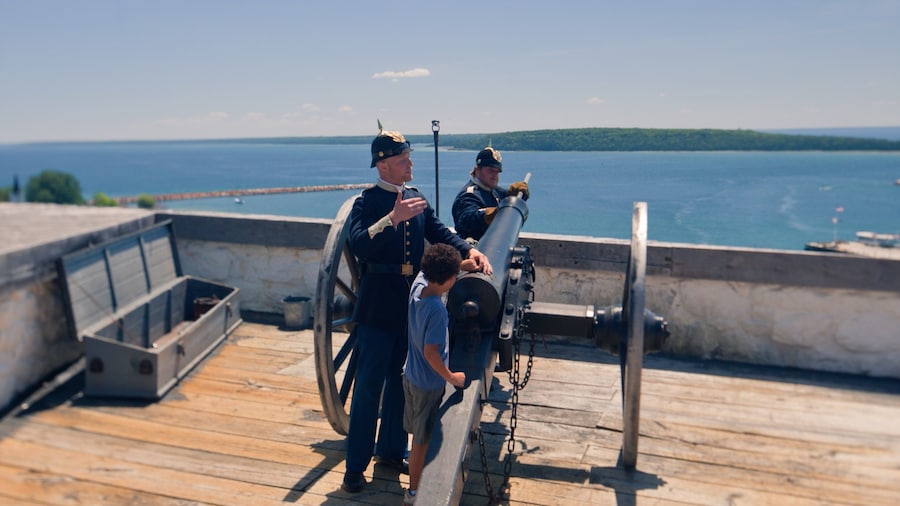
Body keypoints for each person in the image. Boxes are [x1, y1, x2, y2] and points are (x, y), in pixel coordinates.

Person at [341, 123, 492, 493]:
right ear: (383, 166)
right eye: (402, 159)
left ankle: (390, 451)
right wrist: (392, 219)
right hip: (377, 307)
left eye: (408, 158)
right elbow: (359, 242)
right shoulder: (368, 202)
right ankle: (354, 468)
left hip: (409, 305)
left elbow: (440, 231)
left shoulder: (417, 196)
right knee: (368, 388)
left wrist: (467, 249)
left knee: (400, 383)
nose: (409, 164)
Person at [402, 243, 473, 505]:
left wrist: (460, 266)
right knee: (421, 441)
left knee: (416, 433)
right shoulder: (437, 311)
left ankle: (414, 474)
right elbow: (431, 352)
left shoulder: (418, 286)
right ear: (451, 280)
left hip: (410, 374)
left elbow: (430, 272)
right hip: (428, 383)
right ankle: (412, 493)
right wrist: (452, 377)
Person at [451, 145, 530, 242]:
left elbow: (509, 200)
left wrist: (517, 194)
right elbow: (466, 219)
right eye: (490, 171)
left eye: (497, 172)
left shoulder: (492, 190)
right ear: (477, 170)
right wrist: (487, 215)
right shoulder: (469, 195)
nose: (494, 176)